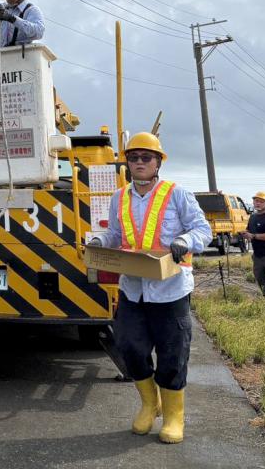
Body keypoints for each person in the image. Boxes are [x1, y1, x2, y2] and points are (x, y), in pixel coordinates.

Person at [88, 132, 211, 444]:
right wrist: (100, 240)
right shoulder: (119, 197)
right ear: (127, 163)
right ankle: (149, 404)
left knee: (172, 353)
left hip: (170, 289)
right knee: (129, 346)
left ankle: (173, 415)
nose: (139, 162)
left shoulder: (177, 194)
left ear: (158, 162)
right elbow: (116, 234)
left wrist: (185, 241)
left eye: (146, 157)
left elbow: (202, 229)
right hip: (133, 288)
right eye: (133, 158)